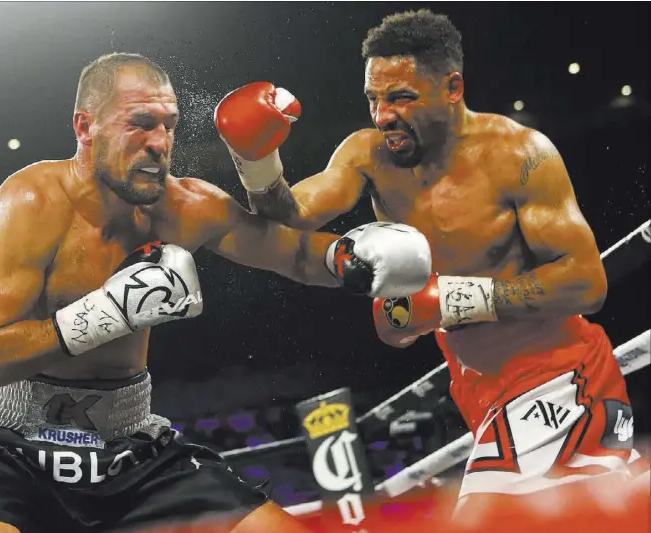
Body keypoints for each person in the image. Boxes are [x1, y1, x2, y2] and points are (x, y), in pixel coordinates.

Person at [0, 52, 434, 533]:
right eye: (141, 122)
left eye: (169, 125)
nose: (160, 142)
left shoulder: (187, 206)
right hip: (10, 445)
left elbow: (295, 254)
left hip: (127, 447)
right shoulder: (32, 201)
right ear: (85, 127)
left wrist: (350, 258)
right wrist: (111, 310)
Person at [214, 9, 635, 522]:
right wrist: (256, 161)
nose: (383, 115)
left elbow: (586, 282)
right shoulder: (369, 156)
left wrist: (451, 299)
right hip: (479, 393)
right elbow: (290, 216)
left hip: (559, 378)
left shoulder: (520, 155)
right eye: (373, 98)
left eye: (401, 97)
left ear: (452, 87)